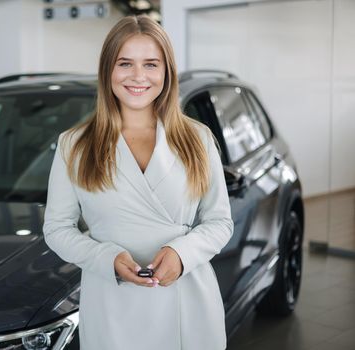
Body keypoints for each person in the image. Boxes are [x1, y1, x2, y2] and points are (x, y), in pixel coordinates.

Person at [43, 14, 234, 350]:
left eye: (151, 64)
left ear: (166, 72)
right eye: (125, 63)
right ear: (107, 71)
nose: (138, 76)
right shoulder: (75, 144)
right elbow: (57, 229)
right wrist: (105, 258)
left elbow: (220, 222)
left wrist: (182, 253)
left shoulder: (197, 138)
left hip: (188, 301)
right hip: (112, 305)